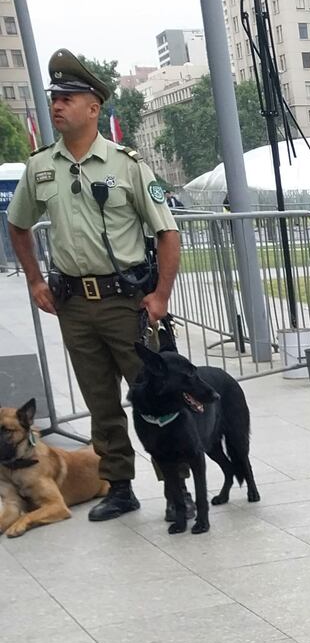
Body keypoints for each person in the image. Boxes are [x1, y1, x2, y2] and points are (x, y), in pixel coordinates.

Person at [7, 50, 180, 521]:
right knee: (100, 403)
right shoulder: (41, 166)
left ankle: (175, 487)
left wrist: (160, 296)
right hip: (75, 306)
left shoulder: (126, 165)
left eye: (67, 98)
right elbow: (18, 224)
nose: (57, 105)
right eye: (55, 98)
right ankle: (119, 487)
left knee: (153, 397)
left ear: (93, 107)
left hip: (126, 303)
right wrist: (34, 279)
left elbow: (167, 232)